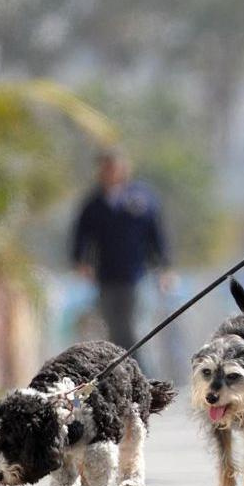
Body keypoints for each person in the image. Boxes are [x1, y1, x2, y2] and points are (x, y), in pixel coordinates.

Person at [71, 149, 172, 353]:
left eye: (114, 167)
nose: (110, 172)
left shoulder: (141, 199)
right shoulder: (94, 203)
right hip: (106, 275)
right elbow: (81, 234)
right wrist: (81, 261)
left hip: (136, 274)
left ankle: (144, 377)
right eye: (105, 168)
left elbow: (156, 234)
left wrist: (164, 267)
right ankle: (122, 375)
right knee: (114, 329)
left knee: (134, 329)